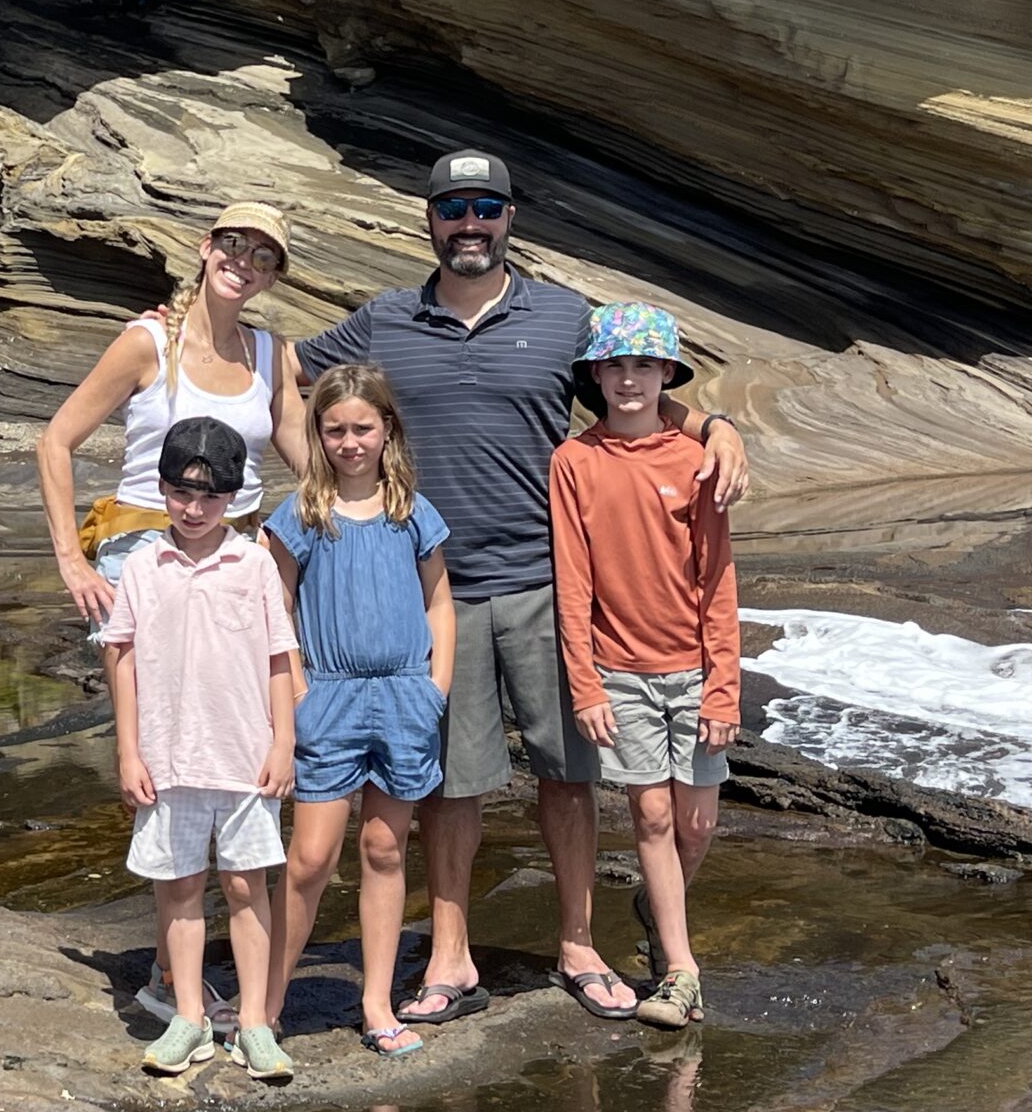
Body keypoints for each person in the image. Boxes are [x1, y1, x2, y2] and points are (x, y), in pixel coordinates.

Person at [293, 149, 748, 1026]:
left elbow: (636, 381)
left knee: (568, 776)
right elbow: (283, 372)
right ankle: (453, 955)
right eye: (454, 208)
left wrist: (716, 424)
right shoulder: (385, 319)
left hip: (548, 586)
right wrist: (313, 487)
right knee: (450, 785)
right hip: (436, 592)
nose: (471, 223)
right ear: (429, 220)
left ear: (510, 219)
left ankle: (578, 944)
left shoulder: (565, 316)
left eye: (487, 208)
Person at [39, 203, 303, 1028]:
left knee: (238, 742)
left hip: (236, 566)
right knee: (158, 761)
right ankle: (168, 975)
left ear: (271, 276)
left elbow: (310, 459)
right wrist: (70, 560)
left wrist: (381, 516)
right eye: (233, 245)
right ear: (204, 248)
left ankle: (184, 970)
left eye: (264, 256)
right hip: (143, 566)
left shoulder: (272, 354)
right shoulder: (146, 341)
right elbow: (56, 441)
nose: (244, 262)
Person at [550, 302, 740, 1029]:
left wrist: (724, 686)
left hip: (696, 674)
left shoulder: (697, 460)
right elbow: (574, 583)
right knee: (652, 814)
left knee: (696, 824)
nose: (629, 380)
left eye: (644, 366)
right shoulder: (575, 461)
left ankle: (657, 912)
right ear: (596, 374)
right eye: (616, 366)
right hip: (619, 672)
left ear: (667, 373)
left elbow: (718, 579)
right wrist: (586, 683)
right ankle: (681, 969)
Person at [261, 364, 454, 1058]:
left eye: (362, 428)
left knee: (382, 847)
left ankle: (376, 1002)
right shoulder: (302, 515)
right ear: (317, 434)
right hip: (328, 697)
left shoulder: (412, 512)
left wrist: (436, 686)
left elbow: (439, 602)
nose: (349, 442)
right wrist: (298, 694)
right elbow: (273, 607)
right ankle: (266, 1005)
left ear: (387, 430)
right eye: (334, 429)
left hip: (404, 697)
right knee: (310, 857)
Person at [100, 416, 299, 1083]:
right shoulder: (141, 566)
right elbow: (122, 660)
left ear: (235, 499)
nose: (193, 509)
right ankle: (188, 1015)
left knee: (247, 884)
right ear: (161, 490)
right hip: (169, 755)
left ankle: (253, 1025)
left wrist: (284, 743)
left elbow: (279, 658)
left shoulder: (253, 564)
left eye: (210, 497)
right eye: (181, 494)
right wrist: (129, 751)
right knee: (179, 883)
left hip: (245, 754)